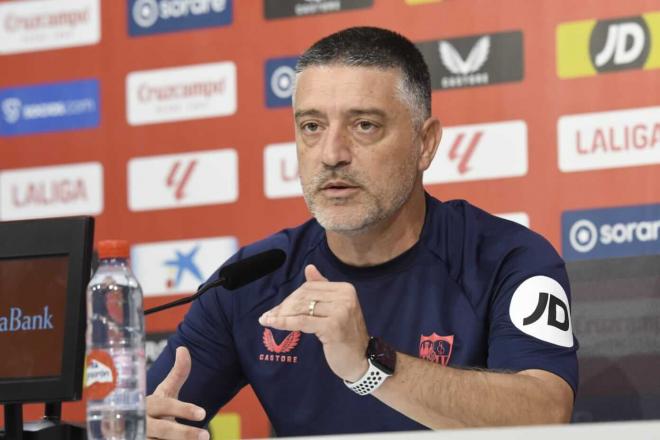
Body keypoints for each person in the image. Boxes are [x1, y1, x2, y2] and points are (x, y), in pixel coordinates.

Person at [146, 27, 577, 439]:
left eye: (364, 125)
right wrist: (140, 426)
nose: (332, 154)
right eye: (312, 126)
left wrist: (369, 363)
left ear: (425, 143)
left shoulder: (507, 258)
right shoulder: (250, 280)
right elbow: (154, 410)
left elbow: (545, 414)